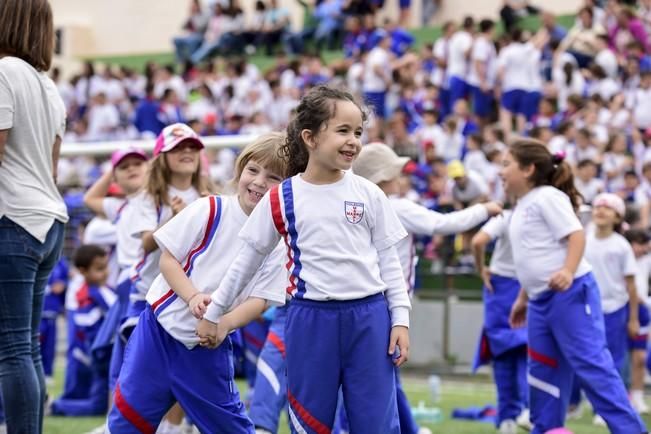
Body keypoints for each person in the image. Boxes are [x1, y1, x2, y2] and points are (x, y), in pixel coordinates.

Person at [196, 86, 411, 433]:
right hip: (310, 321)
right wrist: (215, 313)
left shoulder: (369, 193)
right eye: (342, 131)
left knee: (378, 425)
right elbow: (246, 262)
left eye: (358, 132)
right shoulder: (281, 197)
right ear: (309, 137)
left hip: (370, 319)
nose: (353, 141)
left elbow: (390, 262)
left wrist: (400, 319)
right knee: (309, 424)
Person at [108, 132, 288, 433]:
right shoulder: (210, 208)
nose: (258, 182)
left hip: (205, 348)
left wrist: (224, 323)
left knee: (230, 427)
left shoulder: (278, 241)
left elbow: (261, 299)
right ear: (240, 169)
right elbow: (168, 259)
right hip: (157, 332)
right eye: (253, 170)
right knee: (126, 422)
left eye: (273, 177)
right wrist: (192, 296)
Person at [503, 139, 646, 433]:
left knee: (592, 367)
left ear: (529, 169)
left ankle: (631, 430)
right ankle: (548, 429)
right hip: (540, 301)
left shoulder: (547, 197)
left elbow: (576, 235)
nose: (500, 171)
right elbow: (533, 258)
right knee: (542, 369)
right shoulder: (522, 204)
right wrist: (523, 297)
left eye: (507, 164)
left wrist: (568, 270)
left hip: (570, 294)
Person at [0, 1, 69, 432]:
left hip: (13, 219)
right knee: (26, 348)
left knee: (11, 350)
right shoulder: (49, 86)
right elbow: (53, 166)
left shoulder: (4, 72)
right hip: (48, 221)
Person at [83, 147, 149, 397]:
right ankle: (116, 421)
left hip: (152, 284)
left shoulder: (159, 199)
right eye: (124, 166)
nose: (131, 168)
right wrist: (111, 172)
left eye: (137, 164)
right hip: (128, 284)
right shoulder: (120, 207)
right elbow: (90, 198)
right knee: (122, 356)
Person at [581, 193, 640, 426]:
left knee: (613, 362)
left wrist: (633, 318)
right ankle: (581, 402)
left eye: (608, 209)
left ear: (617, 217)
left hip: (615, 309)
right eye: (597, 208)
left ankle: (606, 409)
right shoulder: (584, 239)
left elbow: (631, 285)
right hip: (586, 309)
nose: (601, 212)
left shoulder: (621, 246)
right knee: (587, 358)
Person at [472, 206, 530, 434]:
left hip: (499, 287)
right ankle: (529, 410)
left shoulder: (507, 215)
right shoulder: (541, 214)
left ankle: (507, 418)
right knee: (529, 355)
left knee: (503, 356)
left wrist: (481, 269)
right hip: (529, 285)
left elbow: (478, 241)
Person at [50, 245, 117, 416]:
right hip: (104, 358)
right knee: (98, 405)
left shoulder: (108, 290)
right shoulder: (86, 296)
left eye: (106, 266)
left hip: (112, 356)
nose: (105, 272)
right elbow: (90, 330)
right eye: (99, 269)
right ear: (83, 271)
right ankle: (53, 406)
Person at [626, 229, 651, 414]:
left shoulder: (646, 260)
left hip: (641, 311)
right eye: (640, 244)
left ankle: (637, 397)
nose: (643, 249)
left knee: (640, 358)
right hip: (618, 309)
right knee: (617, 358)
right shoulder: (620, 254)